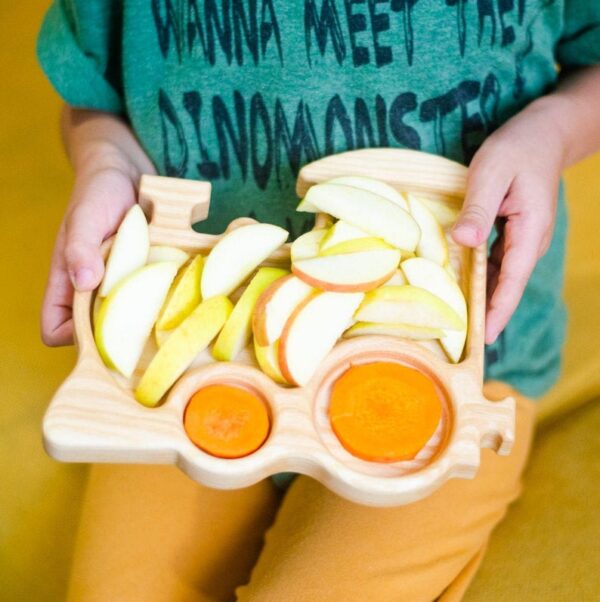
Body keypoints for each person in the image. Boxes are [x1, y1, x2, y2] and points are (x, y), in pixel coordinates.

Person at [38, 2, 600, 600]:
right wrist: (106, 160)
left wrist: (551, 132)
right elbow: (92, 94)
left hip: (462, 364)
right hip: (193, 343)